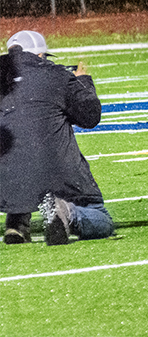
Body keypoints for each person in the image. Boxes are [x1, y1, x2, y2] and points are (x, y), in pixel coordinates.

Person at [1, 31, 114, 245]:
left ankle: (16, 222)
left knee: (17, 149)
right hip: (53, 172)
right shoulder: (57, 75)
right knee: (100, 217)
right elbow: (90, 117)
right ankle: (68, 213)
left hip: (6, 181)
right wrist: (83, 82)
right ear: (41, 55)